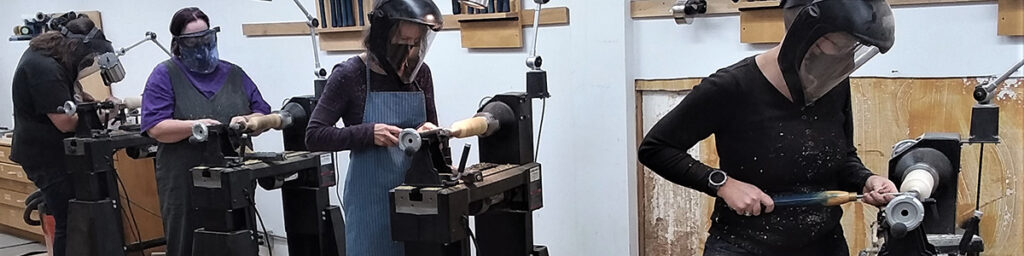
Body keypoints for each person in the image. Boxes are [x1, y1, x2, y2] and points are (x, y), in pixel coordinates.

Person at [638, 0, 899, 255]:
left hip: (825, 244)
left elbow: (841, 158)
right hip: (744, 245)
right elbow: (656, 148)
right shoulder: (731, 87)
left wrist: (867, 180)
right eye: (837, 47)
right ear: (809, 36)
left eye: (849, 51)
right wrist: (722, 184)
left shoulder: (833, 84)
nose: (844, 61)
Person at [304, 0, 444, 254]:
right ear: (383, 36)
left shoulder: (421, 74)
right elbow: (314, 136)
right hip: (371, 204)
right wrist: (368, 133)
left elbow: (436, 132)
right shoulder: (350, 74)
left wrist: (441, 158)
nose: (408, 52)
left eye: (414, 44)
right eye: (402, 43)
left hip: (420, 199)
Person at [140, 7, 271, 256]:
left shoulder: (234, 73)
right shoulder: (165, 75)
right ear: (179, 43)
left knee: (238, 242)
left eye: (206, 38)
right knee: (188, 244)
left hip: (234, 179)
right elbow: (156, 127)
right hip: (184, 181)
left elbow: (262, 114)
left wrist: (246, 120)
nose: (201, 46)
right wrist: (196, 126)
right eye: (193, 41)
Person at [10, 14, 113, 256]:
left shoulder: (51, 59)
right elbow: (66, 123)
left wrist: (90, 101)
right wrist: (104, 114)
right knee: (69, 219)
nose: (88, 63)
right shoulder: (44, 68)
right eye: (87, 58)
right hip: (45, 156)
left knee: (79, 217)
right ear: (76, 48)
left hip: (56, 152)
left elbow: (71, 96)